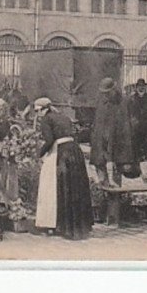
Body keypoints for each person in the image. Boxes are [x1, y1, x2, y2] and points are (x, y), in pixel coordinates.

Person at [34, 98, 92, 239]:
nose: (37, 114)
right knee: (74, 187)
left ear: (44, 109)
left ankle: (56, 225)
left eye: (37, 111)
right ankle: (78, 226)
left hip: (62, 153)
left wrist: (39, 154)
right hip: (74, 151)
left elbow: (49, 141)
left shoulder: (46, 120)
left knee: (57, 187)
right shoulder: (63, 116)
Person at [90, 77, 136, 186]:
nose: (105, 95)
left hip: (117, 145)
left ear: (114, 89)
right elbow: (97, 124)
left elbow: (129, 125)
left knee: (115, 179)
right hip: (101, 144)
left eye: (107, 92)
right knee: (101, 178)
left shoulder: (124, 102)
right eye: (103, 93)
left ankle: (115, 200)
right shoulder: (101, 103)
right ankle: (103, 197)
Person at [128, 78, 147, 161]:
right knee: (136, 139)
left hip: (146, 122)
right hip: (136, 122)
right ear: (136, 87)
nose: (141, 88)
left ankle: (146, 154)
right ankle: (137, 155)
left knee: (146, 139)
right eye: (139, 86)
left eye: (143, 86)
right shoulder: (132, 98)